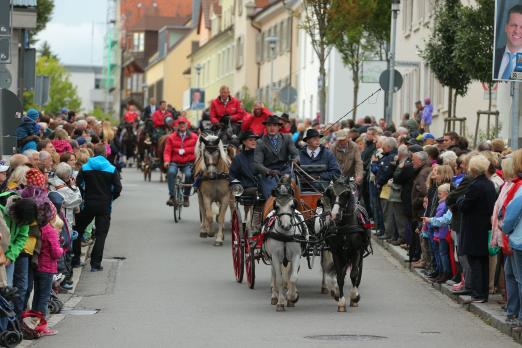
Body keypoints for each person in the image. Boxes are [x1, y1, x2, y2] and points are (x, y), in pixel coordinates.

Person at [74, 143, 122, 272]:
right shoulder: (111, 168)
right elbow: (118, 188)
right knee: (101, 235)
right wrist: (111, 197)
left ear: (93, 153)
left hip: (88, 204)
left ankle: (76, 260)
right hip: (104, 205)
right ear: (105, 154)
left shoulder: (85, 167)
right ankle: (95, 264)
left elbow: (78, 184)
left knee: (78, 230)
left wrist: (84, 195)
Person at [457, 155, 496, 303]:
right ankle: (482, 292)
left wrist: (461, 198)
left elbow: (464, 205)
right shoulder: (489, 183)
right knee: (483, 262)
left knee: (476, 262)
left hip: (474, 228)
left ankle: (478, 293)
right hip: (484, 226)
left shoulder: (475, 185)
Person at [254, 115, 299, 199]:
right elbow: (257, 164)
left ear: (279, 127)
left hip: (285, 170)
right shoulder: (260, 142)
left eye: (274, 125)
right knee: (272, 196)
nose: (272, 128)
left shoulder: (287, 138)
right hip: (269, 173)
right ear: (266, 127)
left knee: (292, 192)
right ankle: (272, 210)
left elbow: (295, 153)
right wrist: (268, 171)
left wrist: (295, 160)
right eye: (269, 125)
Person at [163, 117, 198, 207]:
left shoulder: (194, 137)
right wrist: (167, 161)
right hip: (175, 161)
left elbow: (197, 151)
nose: (182, 125)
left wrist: (186, 151)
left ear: (187, 125)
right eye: (180, 124)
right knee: (171, 173)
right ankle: (172, 196)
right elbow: (167, 151)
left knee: (189, 175)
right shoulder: (171, 137)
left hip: (188, 162)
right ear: (177, 126)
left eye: (184, 123)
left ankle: (186, 197)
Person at [495, 5, 522, 79]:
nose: (517, 31)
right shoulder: (494, 55)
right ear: (506, 27)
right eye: (513, 25)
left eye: (521, 27)